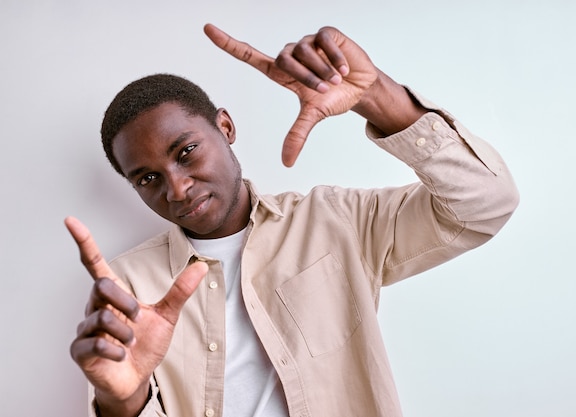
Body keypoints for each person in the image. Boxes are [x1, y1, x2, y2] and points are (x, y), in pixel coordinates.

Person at [66, 23, 519, 417]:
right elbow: (123, 391)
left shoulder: (337, 222)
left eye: (186, 153)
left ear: (225, 127)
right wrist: (123, 404)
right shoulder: (128, 284)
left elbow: (486, 203)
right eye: (147, 178)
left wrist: (376, 95)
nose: (177, 188)